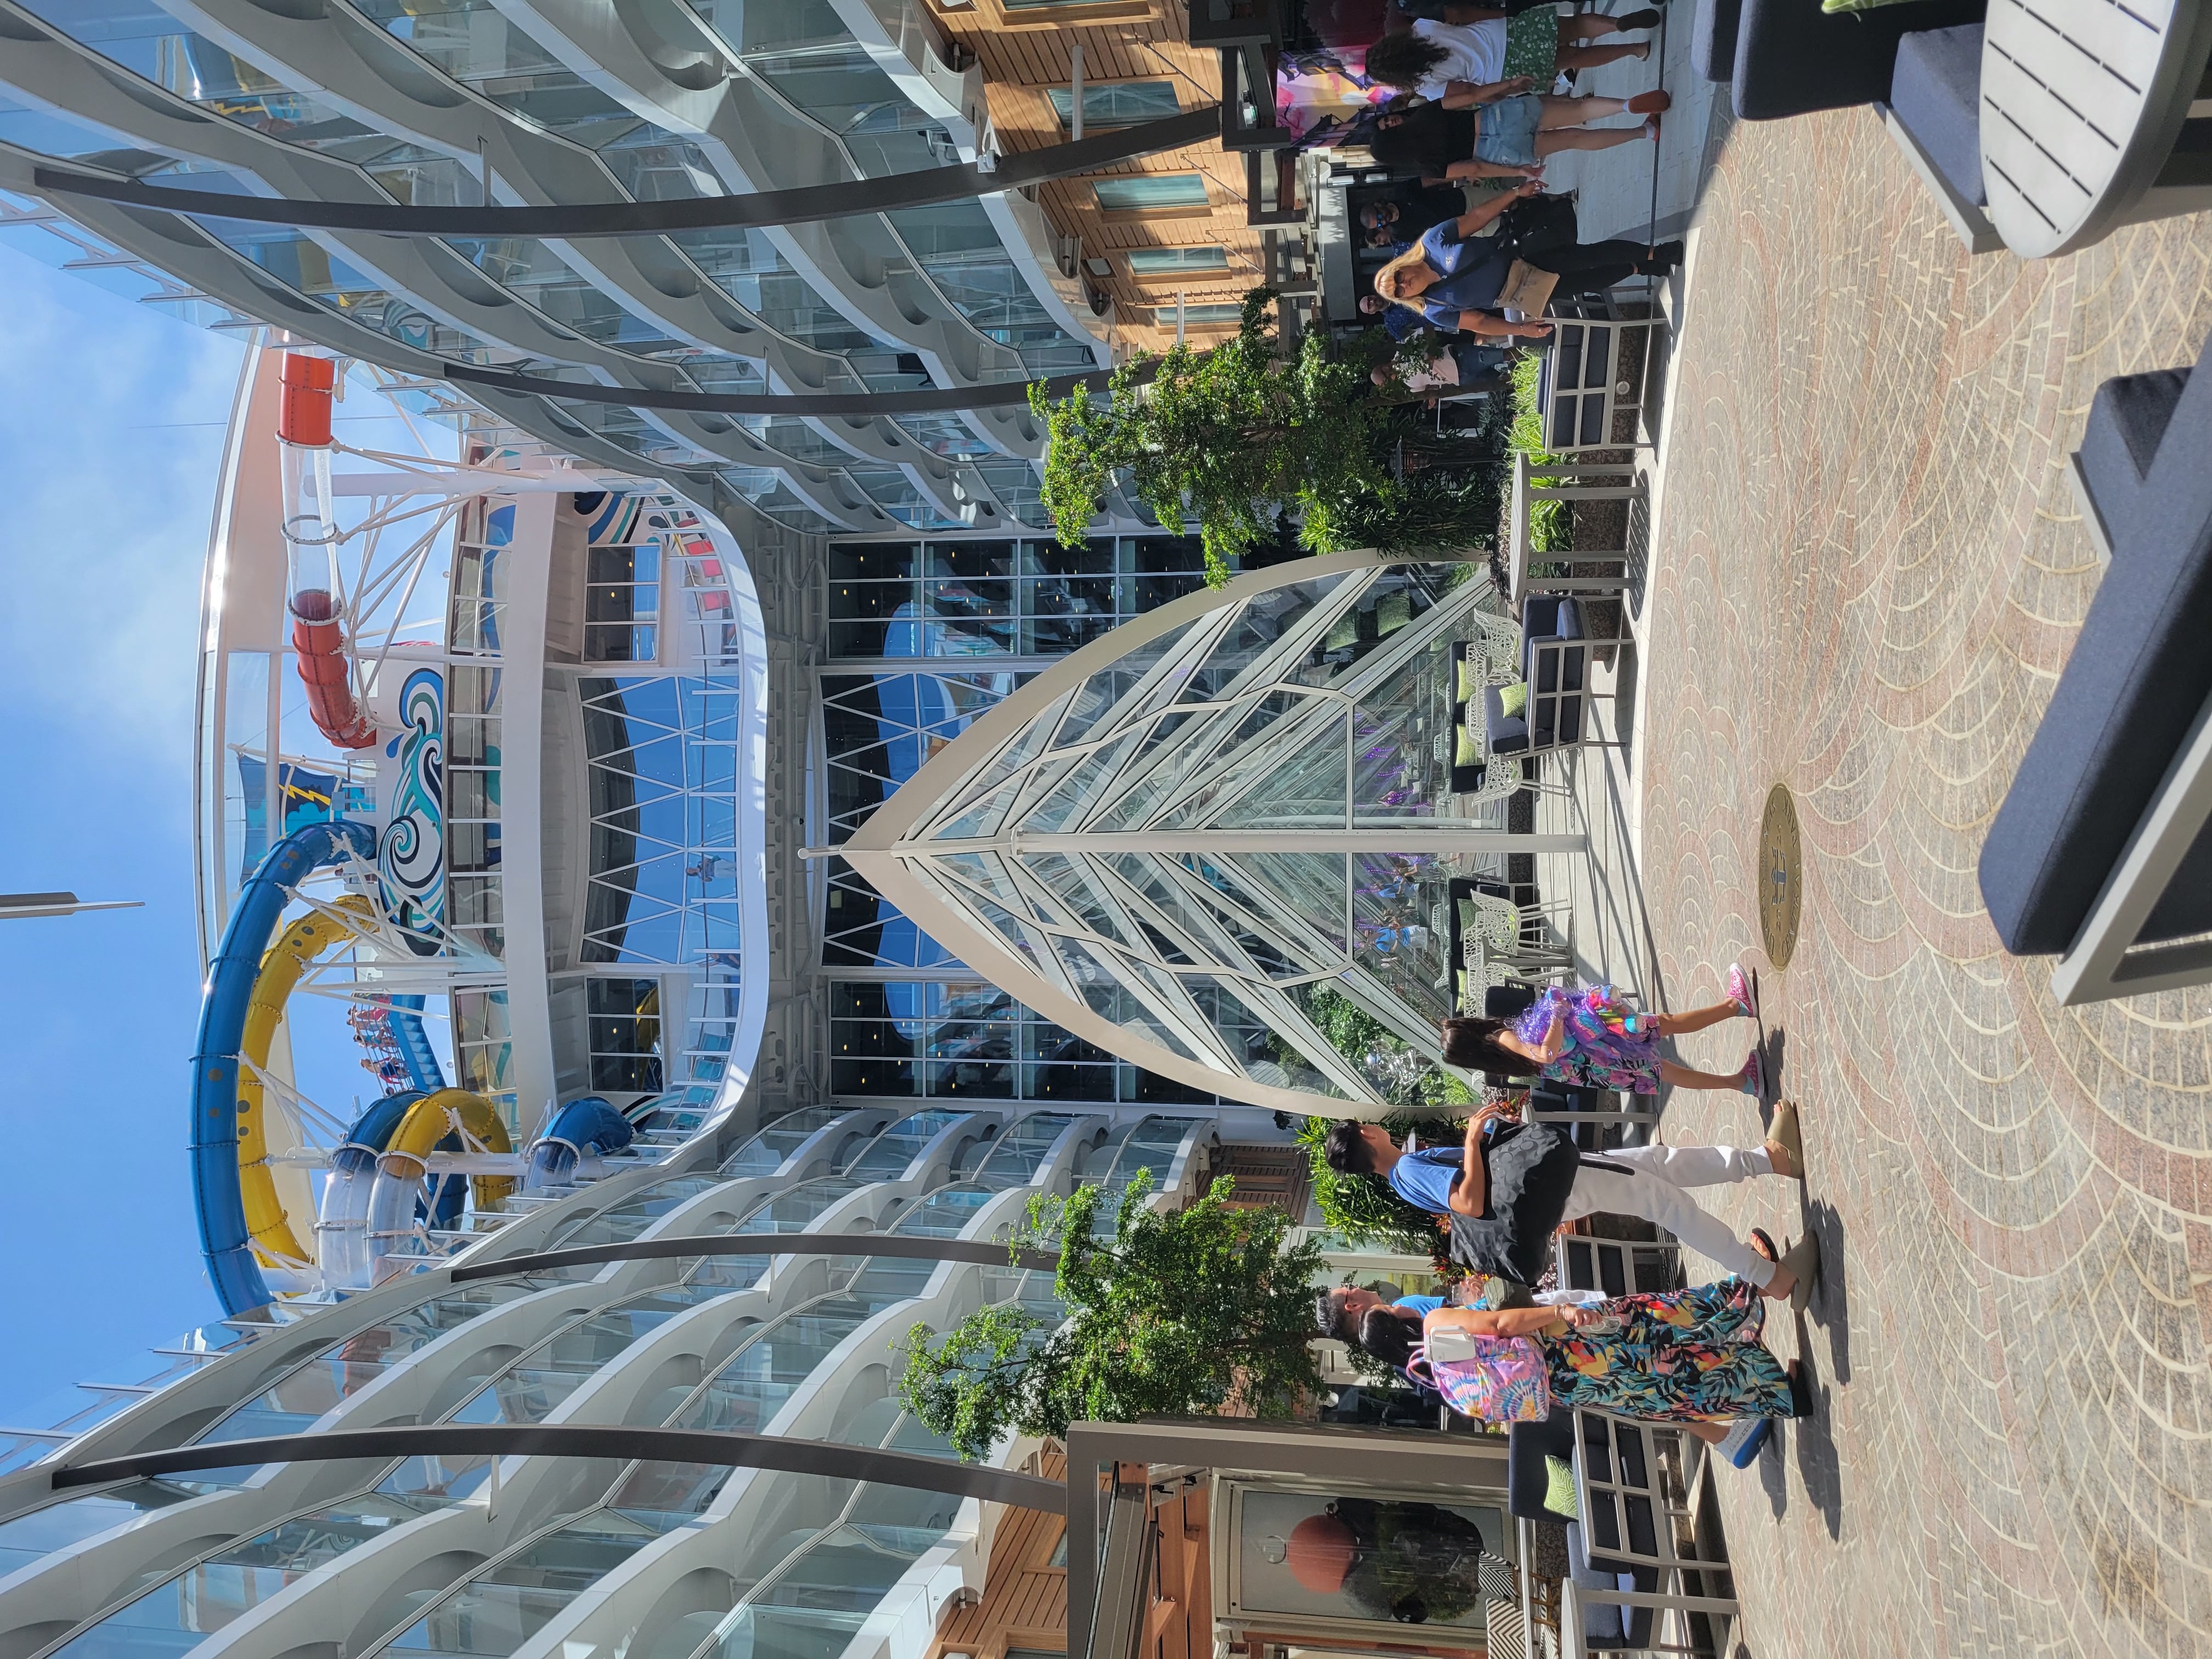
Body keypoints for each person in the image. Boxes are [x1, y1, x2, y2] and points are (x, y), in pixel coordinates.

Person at [1319, 1097, 1820, 1306]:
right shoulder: (1406, 1169)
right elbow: (1468, 1201)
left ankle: (1767, 1159)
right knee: (1664, 1202)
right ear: (1367, 1133)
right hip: (1556, 1185)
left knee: (1656, 1164)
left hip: (1550, 1189)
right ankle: (1771, 1278)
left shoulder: (1400, 1177)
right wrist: (1473, 1137)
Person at [1348, 1277, 1814, 1425]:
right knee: (1652, 1317)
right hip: (1566, 1345)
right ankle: (1738, 1300)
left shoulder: (1431, 1373)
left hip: (1565, 1387)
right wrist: (1564, 1314)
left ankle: (1775, 1391)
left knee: (1663, 1383)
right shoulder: (1433, 1325)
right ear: (1393, 1316)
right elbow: (1501, 1324)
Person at [1369, 178, 1681, 339]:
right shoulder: (1434, 310)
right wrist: (1521, 330)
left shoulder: (1432, 242)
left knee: (1588, 256)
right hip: (1518, 292)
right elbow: (1479, 322)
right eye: (1398, 292)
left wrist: (1515, 194)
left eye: (1397, 277)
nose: (1403, 284)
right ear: (1402, 299)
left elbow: (1477, 217)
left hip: (1522, 255)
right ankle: (1641, 265)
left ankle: (1659, 251)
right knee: (1591, 280)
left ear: (1400, 266)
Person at [1442, 964, 1767, 1095]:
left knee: (1661, 1071)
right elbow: (1546, 1052)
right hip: (1597, 1041)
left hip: (1593, 1064)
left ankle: (1743, 1082)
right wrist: (1557, 1014)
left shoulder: (1503, 1063)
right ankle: (1735, 1006)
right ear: (1470, 1032)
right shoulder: (1504, 1039)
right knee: (1662, 1024)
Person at [1363, 10, 1661, 98]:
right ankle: (1617, 24)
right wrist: (1501, 14)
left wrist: (1503, 90)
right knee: (1573, 26)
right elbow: (1460, 16)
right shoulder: (1421, 29)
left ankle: (1636, 49)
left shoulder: (1425, 85)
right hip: (1500, 32)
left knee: (1572, 59)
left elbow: (1467, 90)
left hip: (1502, 68)